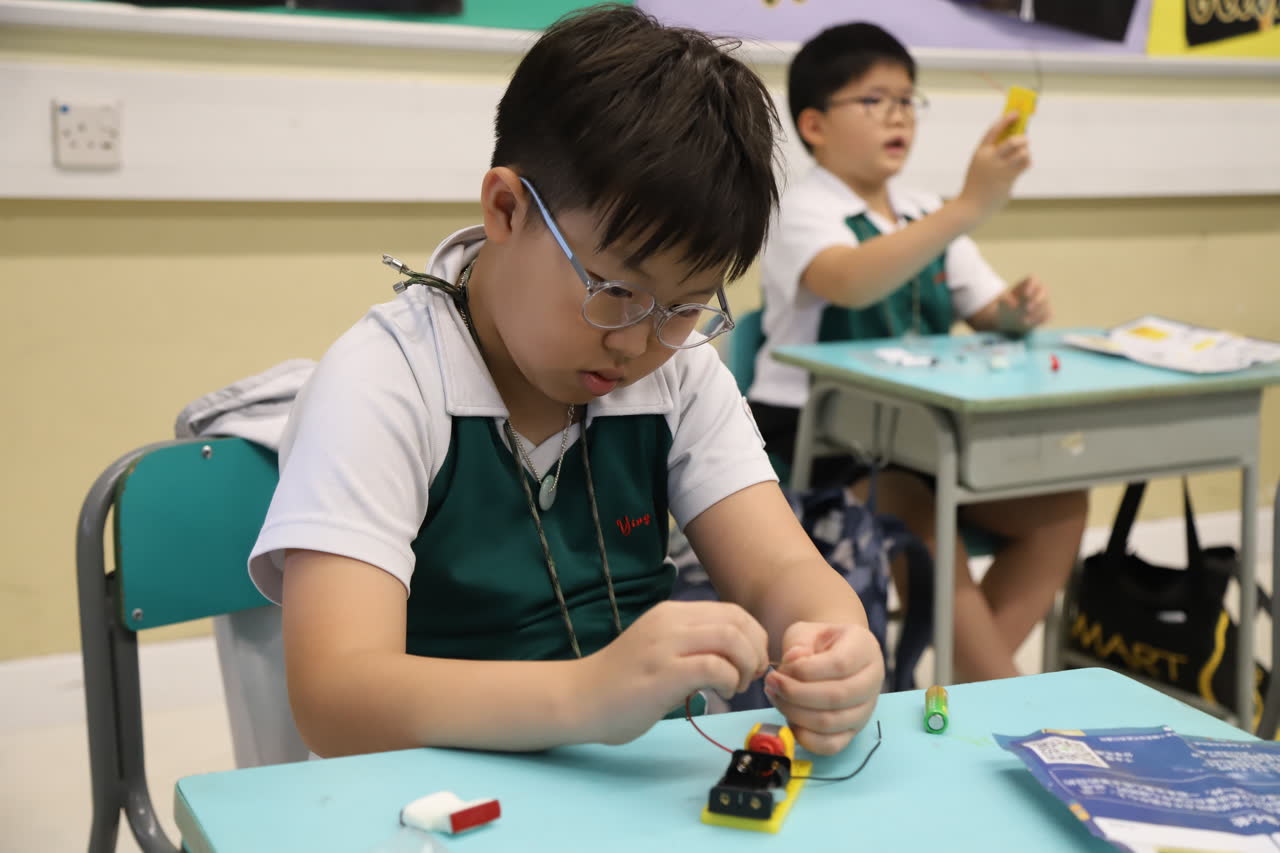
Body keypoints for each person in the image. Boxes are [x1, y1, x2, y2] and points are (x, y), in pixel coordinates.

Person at [249, 5, 883, 759]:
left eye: (684, 307)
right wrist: (585, 696)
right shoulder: (384, 383)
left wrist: (836, 642)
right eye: (613, 291)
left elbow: (781, 569)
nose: (637, 342)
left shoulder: (678, 373)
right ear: (506, 209)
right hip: (429, 794)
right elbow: (335, 698)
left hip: (628, 786)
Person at [748, 22, 1087, 683]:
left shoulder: (923, 210)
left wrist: (1016, 311)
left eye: (907, 100)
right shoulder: (801, 210)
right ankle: (997, 688)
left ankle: (967, 683)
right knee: (907, 501)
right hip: (819, 440)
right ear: (814, 125)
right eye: (874, 100)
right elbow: (849, 280)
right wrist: (967, 206)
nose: (898, 114)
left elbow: (986, 308)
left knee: (1059, 506)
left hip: (926, 438)